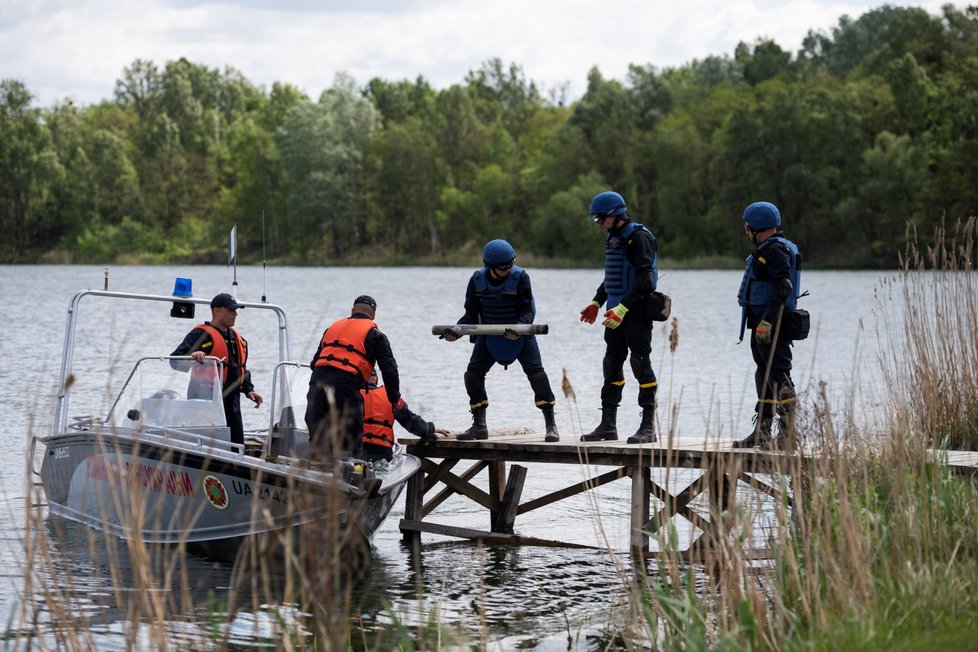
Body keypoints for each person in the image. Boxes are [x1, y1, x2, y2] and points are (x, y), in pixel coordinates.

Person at [442, 239, 558, 442]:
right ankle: (479, 425)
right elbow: (470, 315)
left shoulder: (521, 277)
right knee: (472, 374)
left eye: (510, 265)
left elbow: (527, 311)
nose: (507, 270)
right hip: (489, 335)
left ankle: (551, 425)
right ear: (490, 267)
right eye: (503, 267)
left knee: (537, 374)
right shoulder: (477, 280)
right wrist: (456, 332)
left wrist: (519, 329)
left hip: (520, 334)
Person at [579, 191, 659, 444]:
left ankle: (648, 427)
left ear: (614, 215)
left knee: (640, 364)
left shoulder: (639, 238)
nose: (599, 224)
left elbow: (645, 280)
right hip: (614, 314)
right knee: (611, 364)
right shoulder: (614, 238)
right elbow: (613, 277)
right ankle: (608, 425)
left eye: (600, 219)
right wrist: (596, 302)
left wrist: (623, 308)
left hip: (636, 313)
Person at [733, 201, 801, 449]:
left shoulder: (775, 251)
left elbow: (783, 286)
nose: (746, 230)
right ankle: (761, 432)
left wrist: (767, 322)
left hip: (772, 325)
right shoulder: (766, 249)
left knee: (780, 375)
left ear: (754, 227)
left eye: (747, 226)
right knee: (764, 374)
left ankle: (789, 435)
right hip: (761, 324)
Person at [305, 295, 405, 460]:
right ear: (373, 316)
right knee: (352, 441)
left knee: (317, 438)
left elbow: (314, 363)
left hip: (317, 384)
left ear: (352, 311)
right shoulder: (375, 334)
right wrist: (394, 398)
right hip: (346, 387)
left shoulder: (332, 328)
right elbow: (389, 370)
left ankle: (313, 475)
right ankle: (353, 478)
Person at [171, 292, 263, 446]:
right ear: (217, 311)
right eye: (231, 310)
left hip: (232, 402)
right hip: (205, 400)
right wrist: (192, 357)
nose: (236, 314)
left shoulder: (238, 339)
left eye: (236, 310)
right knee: (207, 446)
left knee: (236, 445)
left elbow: (240, 369)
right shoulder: (200, 334)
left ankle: (235, 469)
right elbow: (174, 361)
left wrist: (249, 390)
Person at [361, 369, 449, 466]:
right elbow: (410, 421)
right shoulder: (390, 396)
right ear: (376, 380)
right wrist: (431, 429)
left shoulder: (348, 396)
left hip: (355, 452)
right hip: (382, 455)